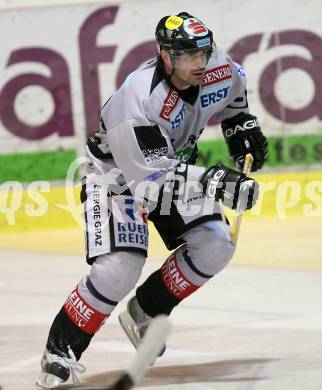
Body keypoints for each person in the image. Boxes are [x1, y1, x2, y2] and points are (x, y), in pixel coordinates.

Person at [36, 11, 268, 388]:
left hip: (170, 168)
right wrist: (211, 179)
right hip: (118, 179)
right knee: (119, 268)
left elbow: (235, 88)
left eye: (203, 53)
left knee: (216, 244)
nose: (200, 63)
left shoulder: (216, 65)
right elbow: (149, 180)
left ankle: (147, 309)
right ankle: (60, 350)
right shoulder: (138, 98)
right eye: (188, 55)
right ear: (165, 55)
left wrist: (239, 122)